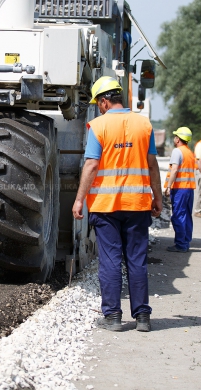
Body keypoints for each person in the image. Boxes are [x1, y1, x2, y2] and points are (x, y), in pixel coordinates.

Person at [73, 76, 163, 333]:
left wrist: (79, 199)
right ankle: (142, 317)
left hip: (105, 206)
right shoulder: (144, 124)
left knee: (111, 260)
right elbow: (152, 165)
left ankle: (112, 316)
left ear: (103, 101)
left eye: (98, 103)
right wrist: (157, 197)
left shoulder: (98, 126)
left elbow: (91, 165)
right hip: (137, 204)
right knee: (136, 259)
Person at [164, 127, 196, 253]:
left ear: (178, 139)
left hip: (179, 189)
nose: (174, 138)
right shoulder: (189, 152)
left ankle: (181, 244)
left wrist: (168, 186)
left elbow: (175, 170)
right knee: (187, 215)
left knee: (178, 215)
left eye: (175, 136)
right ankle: (186, 241)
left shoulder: (177, 151)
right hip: (189, 189)